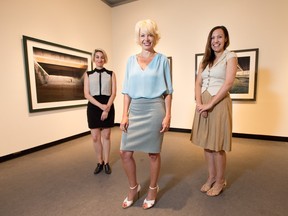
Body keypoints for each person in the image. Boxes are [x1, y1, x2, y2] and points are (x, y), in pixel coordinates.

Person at [119, 19, 173, 210]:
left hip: (154, 110)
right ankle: (133, 188)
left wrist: (167, 116)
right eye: (143, 35)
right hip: (135, 110)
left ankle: (152, 189)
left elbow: (168, 92)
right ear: (138, 38)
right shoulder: (130, 61)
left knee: (153, 154)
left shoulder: (162, 60)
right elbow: (126, 91)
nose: (146, 39)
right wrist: (124, 115)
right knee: (124, 153)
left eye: (150, 34)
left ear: (155, 37)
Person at [191, 26, 237, 196]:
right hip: (203, 103)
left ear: (225, 39)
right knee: (207, 144)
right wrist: (199, 102)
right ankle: (211, 177)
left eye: (219, 37)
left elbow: (228, 83)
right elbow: (197, 83)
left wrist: (210, 104)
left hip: (218, 103)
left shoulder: (230, 56)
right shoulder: (205, 60)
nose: (215, 41)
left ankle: (220, 180)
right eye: (212, 38)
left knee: (217, 146)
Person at [84, 48, 116, 175]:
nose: (99, 59)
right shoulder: (88, 74)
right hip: (93, 107)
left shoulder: (111, 74)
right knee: (95, 137)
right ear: (93, 59)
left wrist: (106, 108)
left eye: (102, 57)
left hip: (108, 105)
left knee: (106, 136)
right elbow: (87, 94)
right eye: (97, 57)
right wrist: (100, 107)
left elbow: (113, 93)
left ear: (105, 59)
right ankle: (100, 162)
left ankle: (107, 162)